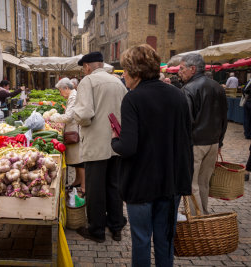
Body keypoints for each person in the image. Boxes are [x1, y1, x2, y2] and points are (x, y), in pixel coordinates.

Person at [111, 44, 193, 267]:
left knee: (141, 240)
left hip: (141, 183)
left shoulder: (133, 99)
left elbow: (128, 146)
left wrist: (114, 139)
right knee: (165, 240)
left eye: (125, 70)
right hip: (171, 181)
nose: (124, 74)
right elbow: (186, 139)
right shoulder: (178, 96)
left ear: (136, 72)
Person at [73, 51, 127, 243]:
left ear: (87, 66)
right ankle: (116, 226)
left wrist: (77, 119)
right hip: (115, 143)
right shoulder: (117, 82)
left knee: (95, 189)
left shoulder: (88, 81)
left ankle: (96, 230)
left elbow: (85, 113)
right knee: (114, 186)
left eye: (83, 67)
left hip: (96, 143)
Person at [179, 53, 228, 215]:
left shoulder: (188, 89)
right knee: (204, 183)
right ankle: (203, 213)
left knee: (193, 184)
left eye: (182, 68)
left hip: (196, 144)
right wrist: (219, 142)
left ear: (193, 69)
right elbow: (224, 118)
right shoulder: (216, 86)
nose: (179, 72)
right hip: (213, 142)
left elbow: (185, 122)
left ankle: (196, 218)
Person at [50, 78, 85, 192]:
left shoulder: (73, 97)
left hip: (75, 131)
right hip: (73, 130)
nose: (60, 94)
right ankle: (78, 181)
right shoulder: (72, 96)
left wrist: (54, 117)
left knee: (79, 161)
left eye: (61, 91)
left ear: (66, 88)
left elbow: (69, 117)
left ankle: (83, 186)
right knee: (76, 160)